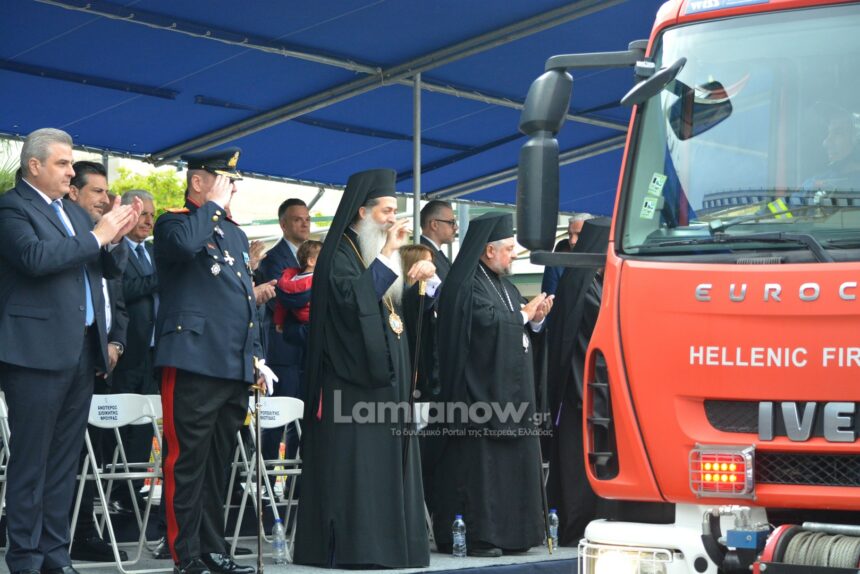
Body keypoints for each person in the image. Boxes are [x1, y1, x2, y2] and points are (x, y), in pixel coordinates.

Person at [0, 128, 140, 574]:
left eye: (71, 163)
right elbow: (35, 258)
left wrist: (115, 236)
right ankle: (25, 558)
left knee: (65, 462)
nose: (70, 171)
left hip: (82, 350)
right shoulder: (12, 207)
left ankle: (55, 556)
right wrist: (98, 235)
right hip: (35, 352)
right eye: (62, 163)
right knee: (32, 461)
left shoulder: (74, 214)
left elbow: (107, 267)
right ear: (34, 165)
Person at [293, 168, 436, 569]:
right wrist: (389, 254)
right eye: (386, 210)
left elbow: (394, 314)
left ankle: (396, 546)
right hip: (351, 387)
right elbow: (350, 305)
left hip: (386, 386)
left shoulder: (377, 253)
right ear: (362, 211)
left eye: (394, 211)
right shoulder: (338, 254)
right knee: (360, 472)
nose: (392, 219)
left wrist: (425, 283)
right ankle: (362, 549)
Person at [154, 147, 275, 574]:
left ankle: (212, 549)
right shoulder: (174, 222)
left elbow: (243, 299)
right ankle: (184, 555)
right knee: (185, 462)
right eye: (224, 181)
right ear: (197, 182)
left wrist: (255, 357)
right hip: (193, 360)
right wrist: (213, 207)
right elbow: (186, 247)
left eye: (232, 183)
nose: (232, 189)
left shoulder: (234, 234)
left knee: (218, 465)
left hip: (232, 364)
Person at [432, 212, 553, 557]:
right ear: (489, 250)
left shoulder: (505, 286)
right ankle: (480, 536)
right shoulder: (466, 284)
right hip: (478, 399)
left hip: (511, 397)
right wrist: (524, 316)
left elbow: (516, 327)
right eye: (509, 248)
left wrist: (535, 320)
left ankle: (515, 534)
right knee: (480, 472)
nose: (514, 255)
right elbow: (485, 326)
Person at [65, 162, 131, 563]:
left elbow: (115, 302)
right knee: (66, 453)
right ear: (73, 192)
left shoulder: (105, 241)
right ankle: (68, 534)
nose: (105, 200)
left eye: (107, 193)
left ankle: (84, 530)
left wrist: (116, 343)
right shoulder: (69, 237)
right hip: (64, 356)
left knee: (94, 454)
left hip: (102, 362)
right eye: (97, 192)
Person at [544, 217, 610, 546]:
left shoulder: (588, 281)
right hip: (583, 390)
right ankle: (578, 525)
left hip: (591, 388)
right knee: (578, 464)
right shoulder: (583, 285)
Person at [108, 189, 160, 515]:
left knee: (144, 424)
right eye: (143, 214)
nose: (149, 221)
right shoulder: (116, 249)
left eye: (152, 215)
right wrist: (158, 278)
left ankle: (133, 489)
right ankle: (114, 489)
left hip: (155, 353)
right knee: (121, 424)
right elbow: (121, 290)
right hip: (127, 351)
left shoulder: (154, 252)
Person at [255, 198, 310, 463]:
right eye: (298, 219)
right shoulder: (273, 259)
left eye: (307, 219)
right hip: (281, 350)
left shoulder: (313, 257)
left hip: (305, 351)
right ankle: (265, 477)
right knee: (276, 421)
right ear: (283, 225)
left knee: (301, 421)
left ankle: (294, 483)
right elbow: (279, 300)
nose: (305, 224)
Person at [541, 212, 593, 296]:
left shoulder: (607, 262)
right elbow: (549, 301)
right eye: (570, 234)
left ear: (593, 235)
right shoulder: (555, 266)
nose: (572, 241)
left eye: (579, 234)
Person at [274, 239, 322, 328]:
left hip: (298, 321)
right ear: (311, 261)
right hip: (316, 322)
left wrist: (279, 322)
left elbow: (280, 305)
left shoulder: (289, 281)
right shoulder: (316, 281)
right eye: (323, 257)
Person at [419, 199, 455, 281]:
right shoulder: (421, 253)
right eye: (451, 222)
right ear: (434, 225)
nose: (456, 227)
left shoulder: (434, 251)